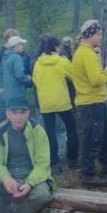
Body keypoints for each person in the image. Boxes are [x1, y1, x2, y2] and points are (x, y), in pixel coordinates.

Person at [72, 19, 107, 186]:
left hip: (96, 101)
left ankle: (106, 163)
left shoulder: (87, 52)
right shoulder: (86, 54)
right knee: (92, 138)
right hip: (90, 103)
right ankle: (88, 174)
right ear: (90, 35)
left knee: (106, 134)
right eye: (98, 34)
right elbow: (95, 79)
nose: (100, 37)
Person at [33, 35, 79, 172]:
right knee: (71, 128)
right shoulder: (61, 61)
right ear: (56, 47)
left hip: (45, 103)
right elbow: (73, 75)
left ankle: (53, 162)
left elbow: (35, 80)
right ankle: (72, 158)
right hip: (61, 101)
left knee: (50, 132)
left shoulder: (38, 63)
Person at [0, 35, 32, 102]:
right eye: (21, 44)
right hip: (17, 94)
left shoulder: (5, 57)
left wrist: (1, 87)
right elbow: (19, 75)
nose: (22, 46)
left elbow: (0, 74)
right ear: (16, 45)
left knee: (10, 112)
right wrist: (28, 78)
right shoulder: (17, 58)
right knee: (19, 112)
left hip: (7, 95)